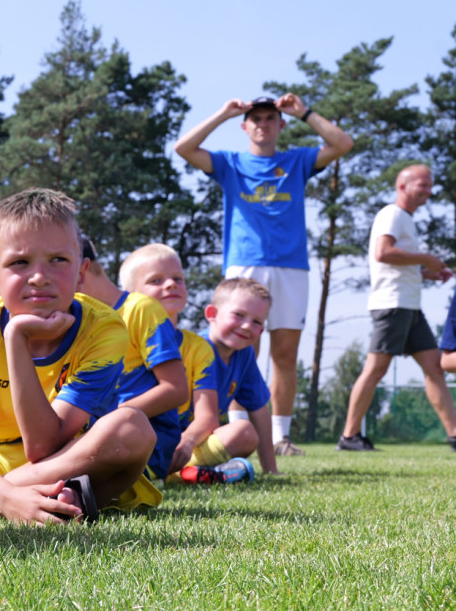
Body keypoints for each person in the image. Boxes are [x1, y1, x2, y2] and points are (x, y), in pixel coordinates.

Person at [0, 189, 158, 523]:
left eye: (58, 260)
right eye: (19, 263)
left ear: (81, 273)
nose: (39, 277)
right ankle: (40, 499)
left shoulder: (104, 328)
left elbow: (42, 446)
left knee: (133, 427)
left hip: (71, 459)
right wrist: (3, 495)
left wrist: (15, 337)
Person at [175, 93, 353, 456]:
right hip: (244, 264)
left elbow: (342, 144)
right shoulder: (230, 163)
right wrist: (223, 114)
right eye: (255, 118)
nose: (263, 124)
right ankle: (238, 430)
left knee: (285, 355)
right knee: (240, 349)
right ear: (245, 127)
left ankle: (280, 437)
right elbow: (183, 148)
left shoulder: (296, 161)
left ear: (281, 124)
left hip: (291, 266)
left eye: (270, 118)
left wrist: (304, 112)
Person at [120, 244, 259, 480]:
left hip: (181, 445)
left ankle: (176, 473)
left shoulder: (199, 348)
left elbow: (207, 416)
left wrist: (187, 441)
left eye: (178, 278)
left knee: (244, 432)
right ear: (131, 295)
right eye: (156, 280)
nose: (171, 284)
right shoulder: (120, 340)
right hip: (128, 437)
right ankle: (179, 475)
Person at [344, 165, 456, 452]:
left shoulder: (405, 219)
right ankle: (349, 436)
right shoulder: (391, 214)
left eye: (430, 185)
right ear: (403, 186)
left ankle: (454, 435)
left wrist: (428, 273)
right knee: (375, 369)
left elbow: (399, 265)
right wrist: (426, 258)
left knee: (435, 368)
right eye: (423, 185)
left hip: (410, 306)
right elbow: (383, 253)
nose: (429, 191)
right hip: (392, 305)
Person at [76, 236, 187, 484]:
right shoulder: (81, 321)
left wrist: (109, 421)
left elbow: (176, 389)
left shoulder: (141, 309)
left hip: (145, 442)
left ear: (81, 270)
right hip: (98, 438)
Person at [197, 278, 280, 475]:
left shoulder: (244, 354)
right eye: (239, 315)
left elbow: (259, 411)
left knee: (244, 434)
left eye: (257, 322)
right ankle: (168, 468)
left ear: (262, 330)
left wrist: (271, 470)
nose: (247, 326)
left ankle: (189, 471)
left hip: (200, 441)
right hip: (171, 437)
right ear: (212, 314)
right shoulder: (195, 349)